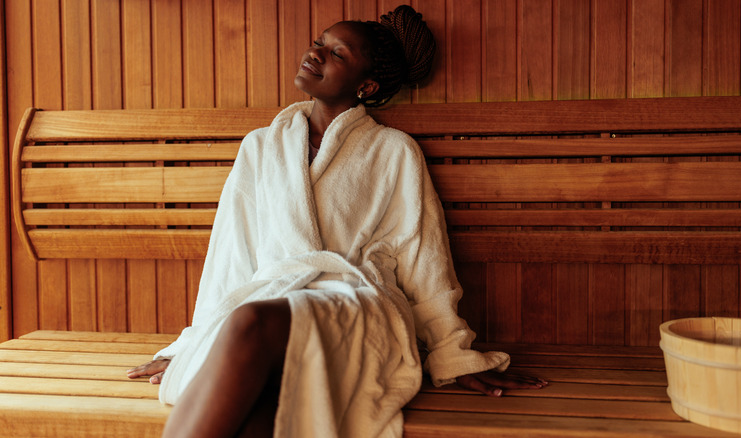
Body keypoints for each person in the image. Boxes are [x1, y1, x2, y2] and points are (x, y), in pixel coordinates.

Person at [127, 5, 547, 438]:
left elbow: (423, 258)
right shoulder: (260, 147)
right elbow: (232, 253)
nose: (316, 54)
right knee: (261, 408)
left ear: (366, 85)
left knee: (250, 325)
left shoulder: (394, 151)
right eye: (319, 43)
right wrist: (193, 342)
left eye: (337, 53)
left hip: (357, 305)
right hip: (274, 302)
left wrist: (451, 353)